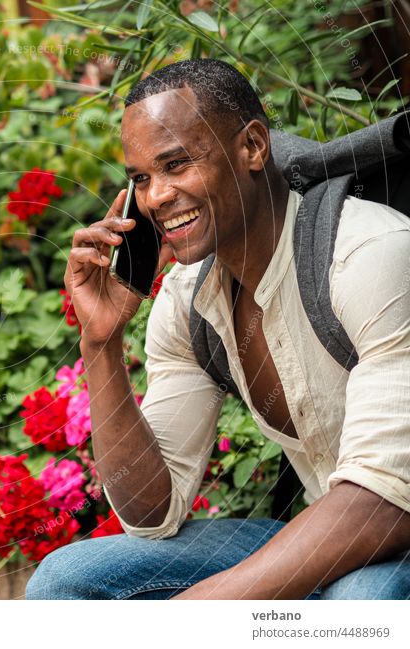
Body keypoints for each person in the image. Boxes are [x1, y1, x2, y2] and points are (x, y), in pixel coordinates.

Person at [25, 59, 410, 600]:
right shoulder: (188, 301)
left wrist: (195, 613)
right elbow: (151, 512)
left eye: (177, 164)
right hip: (334, 533)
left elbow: (382, 503)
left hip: (390, 527)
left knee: (360, 607)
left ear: (253, 147)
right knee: (66, 584)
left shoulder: (368, 256)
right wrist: (101, 344)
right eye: (140, 178)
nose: (155, 196)